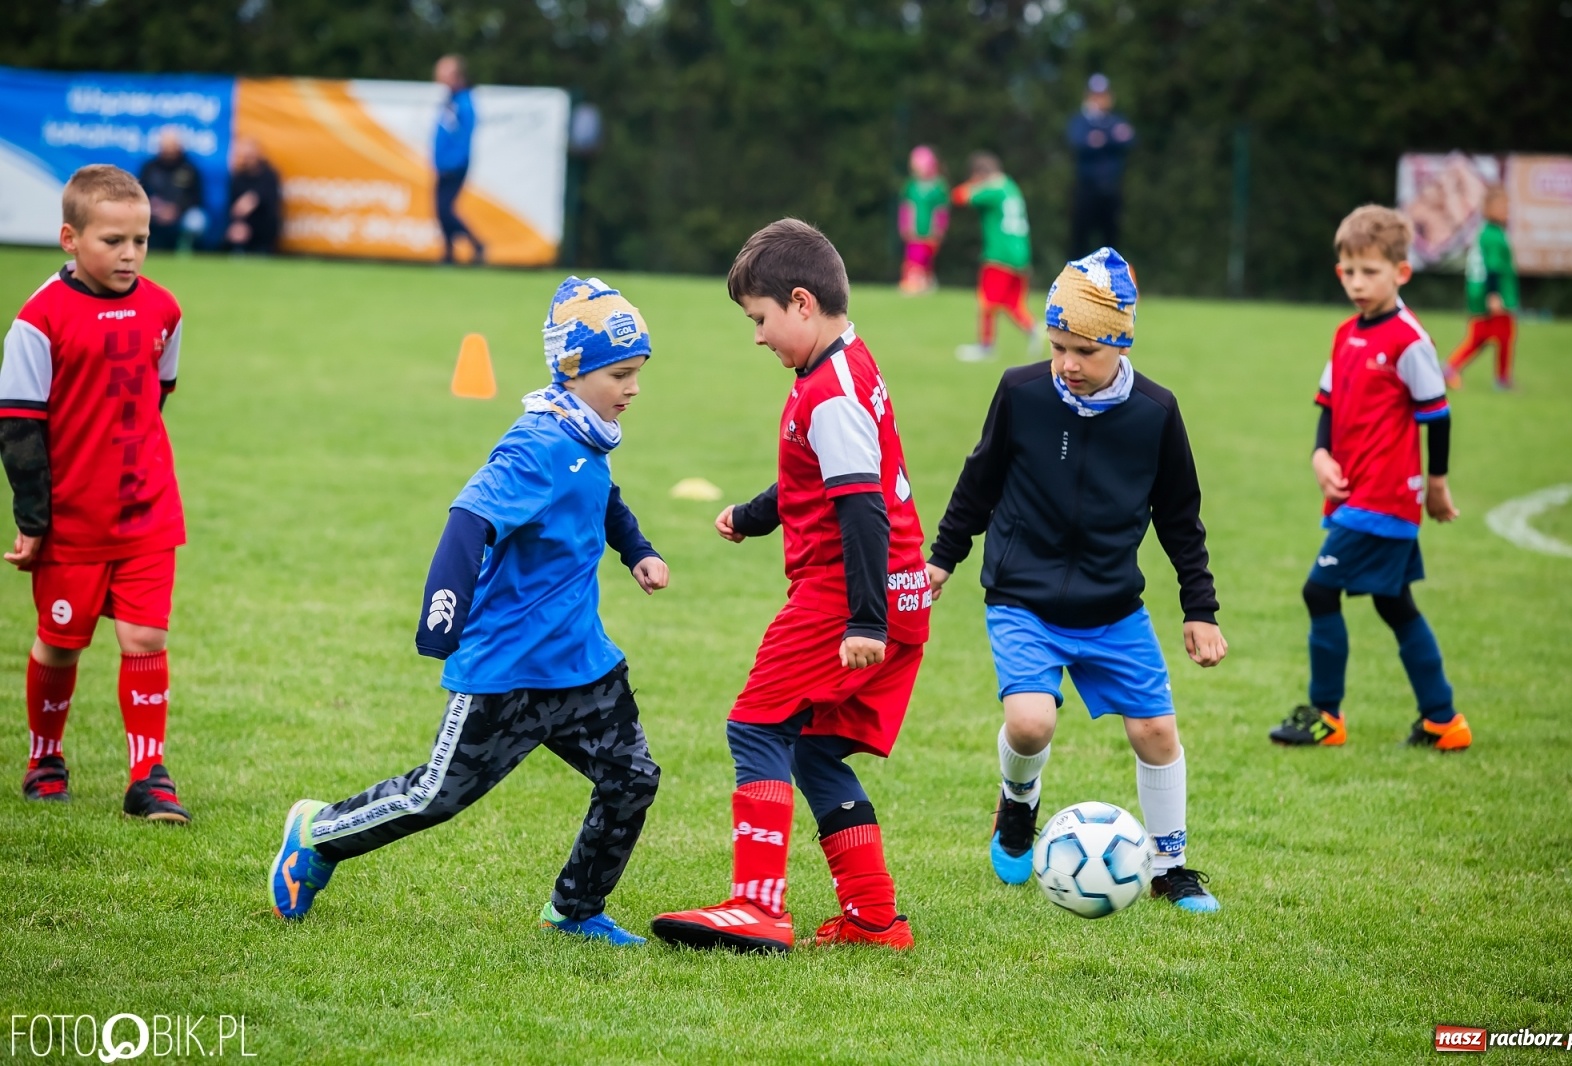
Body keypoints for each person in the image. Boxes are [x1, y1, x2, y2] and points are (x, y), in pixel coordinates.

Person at [270, 277, 668, 943]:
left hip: (580, 664)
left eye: (638, 375)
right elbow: (469, 520)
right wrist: (441, 612)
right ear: (572, 369)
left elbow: (601, 497)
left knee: (632, 778)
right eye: (620, 374)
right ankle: (317, 834)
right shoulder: (537, 443)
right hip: (508, 668)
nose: (632, 389)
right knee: (435, 796)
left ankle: (574, 912)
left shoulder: (588, 437)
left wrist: (638, 551)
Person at [652, 219, 931, 953]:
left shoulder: (830, 390)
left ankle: (757, 905)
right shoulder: (847, 364)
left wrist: (863, 621)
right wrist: (755, 514)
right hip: (897, 596)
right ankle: (875, 919)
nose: (757, 337)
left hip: (848, 595)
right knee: (814, 751)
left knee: (755, 725)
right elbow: (821, 472)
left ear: (801, 303)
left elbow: (862, 507)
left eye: (761, 319)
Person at [926, 246, 1224, 912]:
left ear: (1119, 343)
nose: (1067, 364)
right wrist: (943, 558)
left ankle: (1170, 866)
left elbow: (1180, 518)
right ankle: (1018, 806)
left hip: (1113, 606)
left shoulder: (1155, 412)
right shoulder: (1022, 392)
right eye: (1058, 345)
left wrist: (1199, 608)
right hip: (1022, 598)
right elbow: (978, 481)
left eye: (1084, 350)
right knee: (1030, 724)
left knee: (1156, 733)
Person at [0, 164, 191, 821]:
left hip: (146, 511)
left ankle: (149, 775)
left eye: (140, 239)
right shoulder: (37, 320)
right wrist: (33, 520)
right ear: (69, 238)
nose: (130, 254)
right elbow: (19, 428)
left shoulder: (165, 309)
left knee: (145, 639)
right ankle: (44, 757)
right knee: (60, 642)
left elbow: (156, 393)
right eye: (113, 241)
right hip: (70, 522)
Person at [1270, 205, 1470, 752]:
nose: (1357, 283)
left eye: (1370, 272)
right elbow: (1328, 406)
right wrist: (1319, 456)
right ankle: (1443, 721)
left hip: (1385, 498)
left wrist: (1437, 483)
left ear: (1400, 273)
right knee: (1394, 603)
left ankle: (1327, 717)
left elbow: (1438, 414)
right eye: (1349, 272)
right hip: (1353, 493)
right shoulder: (1345, 335)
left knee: (1318, 591)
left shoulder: (1409, 341)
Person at [951, 152, 1040, 362]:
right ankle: (1034, 328)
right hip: (1021, 254)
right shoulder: (1010, 186)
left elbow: (959, 196)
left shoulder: (993, 189)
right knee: (1012, 302)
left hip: (999, 255)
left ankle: (986, 347)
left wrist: (973, 184)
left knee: (987, 301)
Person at [1444, 186, 1518, 391]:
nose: (1507, 211)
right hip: (1493, 296)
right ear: (1490, 209)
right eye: (1503, 206)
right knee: (1499, 336)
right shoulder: (1493, 235)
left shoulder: (1487, 232)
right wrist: (1494, 295)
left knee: (1483, 337)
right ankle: (1501, 379)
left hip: (1482, 295)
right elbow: (1493, 268)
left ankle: (1451, 368)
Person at [1066, 73, 1135, 259]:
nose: (1099, 99)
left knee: (1111, 241)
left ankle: (1110, 285)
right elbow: (1079, 142)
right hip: (1086, 189)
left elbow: (1128, 139)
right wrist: (1111, 137)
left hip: (1111, 189)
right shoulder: (1081, 121)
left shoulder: (1115, 119)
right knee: (1080, 239)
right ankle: (1077, 283)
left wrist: (1100, 138)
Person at [433, 54, 485, 265]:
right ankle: (448, 253)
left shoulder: (464, 102)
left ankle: (476, 244)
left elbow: (463, 137)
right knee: (441, 210)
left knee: (445, 209)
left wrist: (451, 162)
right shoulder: (450, 100)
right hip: (444, 164)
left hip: (454, 165)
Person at [138, 129, 206, 253]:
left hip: (181, 213)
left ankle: (186, 250)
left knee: (196, 220)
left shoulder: (189, 168)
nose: (169, 151)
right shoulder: (149, 168)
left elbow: (196, 198)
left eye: (172, 147)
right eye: (166, 147)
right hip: (154, 213)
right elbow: (140, 193)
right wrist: (156, 208)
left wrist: (176, 209)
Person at [898, 145, 949, 295]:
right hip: (914, 231)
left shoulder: (939, 186)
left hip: (930, 231)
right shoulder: (911, 186)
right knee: (914, 257)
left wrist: (940, 228)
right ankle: (913, 282)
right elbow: (906, 207)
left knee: (927, 258)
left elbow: (941, 210)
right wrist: (904, 225)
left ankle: (926, 281)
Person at [222, 137, 282, 255]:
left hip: (263, 227)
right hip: (243, 226)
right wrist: (238, 225)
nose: (246, 160)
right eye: (244, 156)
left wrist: (254, 199)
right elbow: (234, 208)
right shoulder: (238, 178)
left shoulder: (269, 176)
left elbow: (271, 205)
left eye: (249, 156)